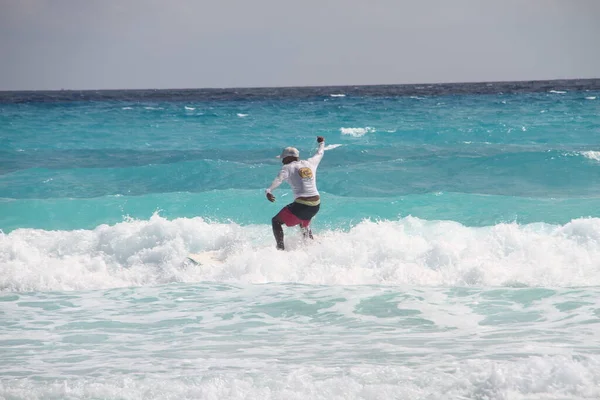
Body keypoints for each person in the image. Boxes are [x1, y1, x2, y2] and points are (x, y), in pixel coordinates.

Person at [266, 136, 325, 250]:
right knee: (303, 222)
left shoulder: (287, 167)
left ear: (288, 158)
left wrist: (269, 190)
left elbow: (279, 179)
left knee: (276, 221)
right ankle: (311, 248)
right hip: (316, 204)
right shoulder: (310, 163)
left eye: (283, 159)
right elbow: (320, 153)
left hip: (302, 205)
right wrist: (322, 142)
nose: (282, 161)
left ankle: (280, 250)